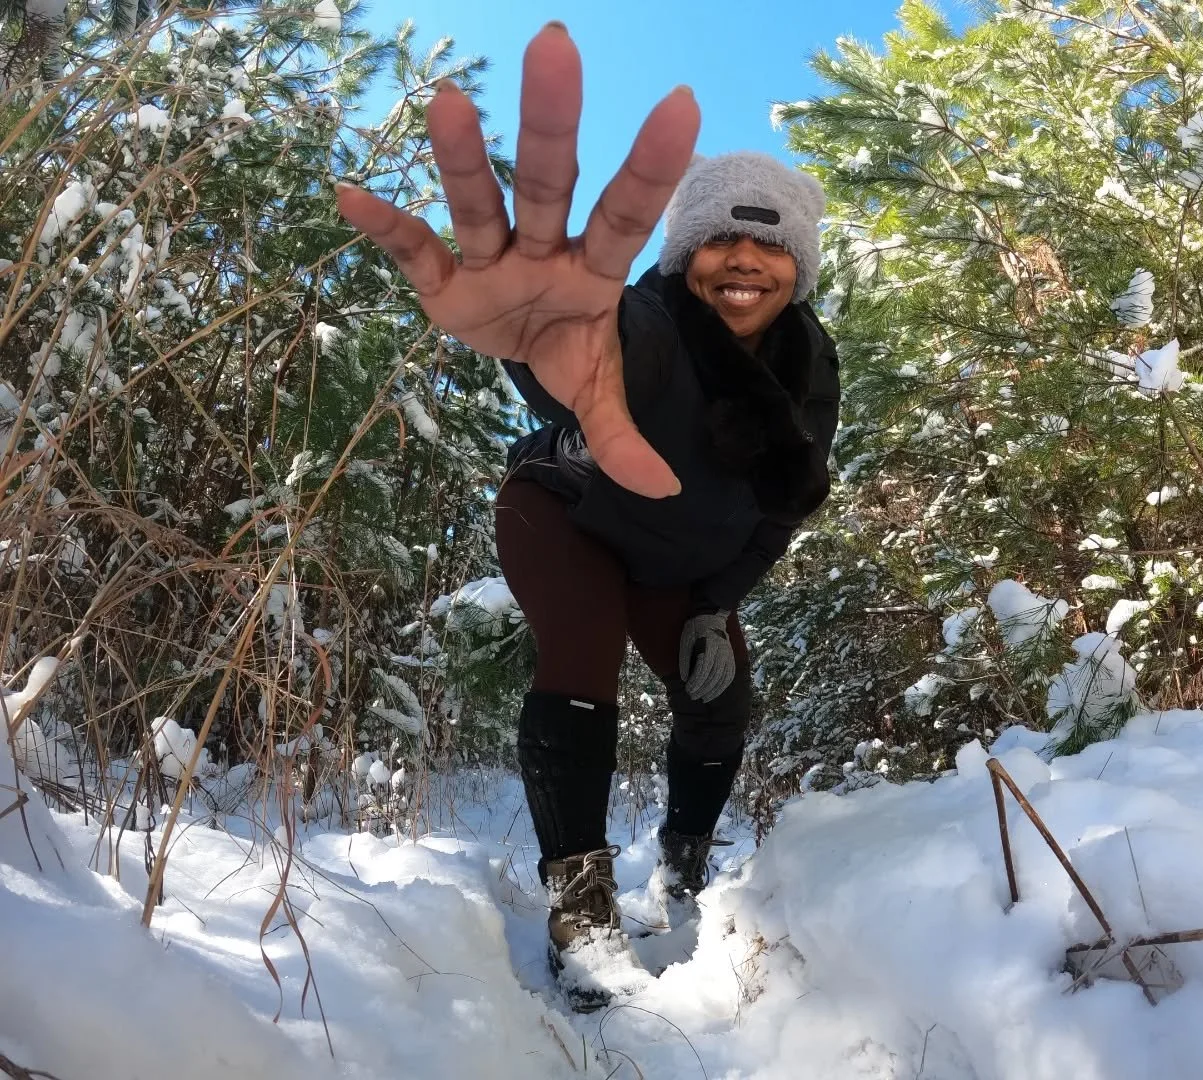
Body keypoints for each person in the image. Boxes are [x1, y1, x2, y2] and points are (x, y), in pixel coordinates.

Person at [335, 21, 839, 1011]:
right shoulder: (645, 325)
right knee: (581, 653)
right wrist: (541, 342)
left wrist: (714, 605)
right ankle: (581, 907)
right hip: (568, 517)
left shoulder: (810, 375)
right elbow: (599, 348)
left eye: (771, 241)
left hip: (679, 563)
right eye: (719, 239)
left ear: (799, 267)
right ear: (680, 255)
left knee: (721, 696)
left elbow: (778, 513)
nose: (745, 258)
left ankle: (684, 864)